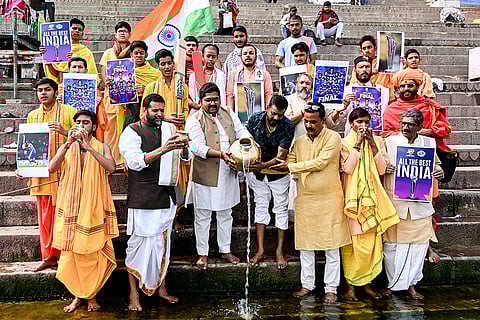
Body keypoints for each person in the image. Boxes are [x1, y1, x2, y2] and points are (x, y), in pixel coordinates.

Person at [271, 103, 351, 304]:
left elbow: (321, 162)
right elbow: (290, 158)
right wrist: (278, 161)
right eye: (306, 121)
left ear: (323, 121)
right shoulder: (298, 142)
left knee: (332, 246)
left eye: (313, 121)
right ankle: (308, 284)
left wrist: (292, 166)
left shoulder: (333, 138)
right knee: (306, 245)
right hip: (306, 199)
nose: (308, 125)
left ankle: (331, 288)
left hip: (330, 199)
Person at [119, 94, 190, 311]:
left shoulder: (169, 129)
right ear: (144, 110)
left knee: (163, 248)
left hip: (166, 197)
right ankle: (133, 295)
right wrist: (163, 150)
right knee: (137, 248)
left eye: (162, 110)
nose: (159, 115)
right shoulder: (132, 131)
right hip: (143, 199)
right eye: (155, 111)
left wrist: (184, 145)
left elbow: (185, 159)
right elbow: (134, 162)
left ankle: (162, 289)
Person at [49, 110, 118, 313]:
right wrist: (68, 143)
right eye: (77, 122)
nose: (81, 126)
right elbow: (52, 168)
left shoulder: (101, 146)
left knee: (91, 252)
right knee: (72, 253)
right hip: (71, 206)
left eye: (85, 123)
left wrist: (89, 147)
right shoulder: (68, 147)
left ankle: (92, 297)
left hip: (94, 206)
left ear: (94, 127)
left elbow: (111, 167)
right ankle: (78, 296)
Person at [186, 82, 251, 270]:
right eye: (208, 100)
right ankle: (203, 254)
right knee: (203, 214)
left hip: (228, 171)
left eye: (215, 99)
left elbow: (241, 131)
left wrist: (248, 142)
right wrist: (221, 154)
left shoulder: (228, 112)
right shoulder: (194, 119)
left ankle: (225, 250)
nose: (212, 103)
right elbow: (196, 147)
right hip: (206, 172)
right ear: (200, 101)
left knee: (225, 213)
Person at [382, 110, 444, 299]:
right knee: (392, 248)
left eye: (410, 124)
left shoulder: (428, 143)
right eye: (403, 123)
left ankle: (411, 285)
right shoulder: (390, 142)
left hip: (419, 205)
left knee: (417, 248)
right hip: (395, 202)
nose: (405, 127)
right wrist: (384, 167)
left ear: (419, 127)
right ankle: (392, 285)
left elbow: (436, 165)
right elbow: (378, 165)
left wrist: (439, 171)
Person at [340, 107, 399, 301]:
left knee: (372, 243)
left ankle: (366, 284)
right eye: (359, 122)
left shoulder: (378, 141)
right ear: (351, 124)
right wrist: (357, 143)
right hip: (352, 201)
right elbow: (348, 168)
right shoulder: (344, 143)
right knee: (353, 246)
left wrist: (373, 143)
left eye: (366, 122)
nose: (363, 126)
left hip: (372, 199)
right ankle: (350, 286)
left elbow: (382, 169)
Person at [24, 78, 77, 272]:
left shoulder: (69, 112)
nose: (43, 93)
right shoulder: (32, 116)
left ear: (56, 92)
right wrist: (24, 168)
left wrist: (64, 131)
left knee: (64, 217)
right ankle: (48, 257)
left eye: (47, 89)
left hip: (65, 174)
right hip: (41, 176)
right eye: (40, 90)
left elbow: (83, 138)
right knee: (45, 218)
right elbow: (26, 147)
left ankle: (65, 255)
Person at [245, 95, 294, 269]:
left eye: (280, 115)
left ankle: (280, 251)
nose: (276, 118)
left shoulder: (287, 126)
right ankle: (260, 250)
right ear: (267, 107)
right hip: (257, 174)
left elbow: (281, 156)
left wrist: (262, 166)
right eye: (273, 113)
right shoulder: (255, 119)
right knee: (260, 207)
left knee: (280, 210)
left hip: (277, 174)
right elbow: (246, 143)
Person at [383, 68, 450, 153]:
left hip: (429, 150)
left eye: (410, 86)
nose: (406, 88)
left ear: (417, 87)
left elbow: (445, 129)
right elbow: (386, 133)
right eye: (402, 86)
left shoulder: (429, 106)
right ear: (398, 89)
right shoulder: (391, 109)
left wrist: (430, 131)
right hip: (399, 151)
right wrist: (410, 134)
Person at [99, 21, 132, 169]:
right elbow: (103, 69)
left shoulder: (133, 51)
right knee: (111, 127)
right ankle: (112, 159)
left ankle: (125, 159)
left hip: (128, 96)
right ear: (115, 34)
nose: (122, 33)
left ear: (130, 34)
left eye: (125, 31)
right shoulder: (108, 52)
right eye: (119, 31)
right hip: (111, 95)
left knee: (126, 126)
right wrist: (106, 81)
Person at [329, 56, 390, 135]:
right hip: (352, 137)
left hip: (375, 136)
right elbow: (331, 123)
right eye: (361, 67)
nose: (364, 70)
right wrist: (341, 108)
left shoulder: (383, 91)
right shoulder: (346, 91)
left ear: (371, 69)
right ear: (355, 70)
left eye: (367, 67)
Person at [43, 18, 98, 98]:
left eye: (79, 29)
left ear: (82, 33)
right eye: (74, 28)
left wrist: (75, 58)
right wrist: (47, 56)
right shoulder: (57, 48)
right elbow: (53, 74)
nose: (77, 31)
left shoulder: (86, 52)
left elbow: (91, 73)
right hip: (61, 88)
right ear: (68, 31)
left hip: (81, 88)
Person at [226, 45, 273, 123]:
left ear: (256, 56)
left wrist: (267, 113)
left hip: (260, 115)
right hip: (239, 115)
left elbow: (268, 94)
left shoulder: (264, 74)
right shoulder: (234, 74)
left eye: (251, 53)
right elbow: (230, 95)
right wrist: (231, 114)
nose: (248, 55)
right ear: (240, 57)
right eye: (245, 53)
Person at [123, 40, 161, 128]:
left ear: (146, 55)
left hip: (147, 106)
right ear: (131, 55)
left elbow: (159, 91)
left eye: (141, 53)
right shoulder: (124, 72)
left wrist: (145, 90)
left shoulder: (155, 74)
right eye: (136, 53)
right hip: (130, 108)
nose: (139, 56)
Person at [189, 44, 227, 108]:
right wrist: (195, 105)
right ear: (202, 57)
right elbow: (190, 96)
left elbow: (223, 96)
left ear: (217, 57)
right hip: (198, 110)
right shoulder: (194, 75)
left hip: (216, 110)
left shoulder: (221, 75)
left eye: (213, 56)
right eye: (208, 56)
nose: (210, 59)